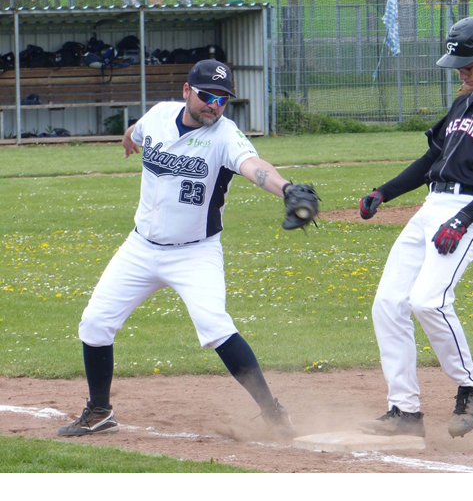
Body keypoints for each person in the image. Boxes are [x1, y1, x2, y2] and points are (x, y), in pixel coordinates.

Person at [58, 59, 296, 439]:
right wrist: (128, 137)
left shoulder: (224, 135)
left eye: (222, 98)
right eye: (206, 95)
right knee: (95, 323)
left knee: (215, 327)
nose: (214, 105)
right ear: (186, 91)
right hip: (140, 248)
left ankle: (273, 412)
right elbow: (138, 131)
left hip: (194, 253)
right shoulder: (158, 115)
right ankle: (100, 411)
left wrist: (285, 188)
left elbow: (253, 165)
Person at [357, 17, 473, 439]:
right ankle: (404, 411)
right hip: (432, 205)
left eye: (468, 63)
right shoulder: (464, 100)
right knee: (387, 304)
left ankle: (472, 385)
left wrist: (462, 219)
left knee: (429, 301)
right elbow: (429, 162)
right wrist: (384, 192)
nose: (460, 70)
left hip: (468, 208)